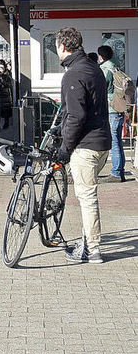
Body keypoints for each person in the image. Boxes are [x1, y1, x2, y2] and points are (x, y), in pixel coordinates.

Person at [54, 27, 111, 263]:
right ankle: (88, 240)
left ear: (62, 47)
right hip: (102, 144)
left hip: (86, 146)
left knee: (87, 198)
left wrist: (65, 149)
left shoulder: (73, 74)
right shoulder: (93, 68)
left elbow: (76, 117)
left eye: (56, 46)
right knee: (88, 194)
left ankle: (92, 250)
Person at [97, 45, 128, 183]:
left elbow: (101, 88)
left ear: (101, 56)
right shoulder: (116, 67)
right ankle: (120, 171)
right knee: (118, 142)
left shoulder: (105, 69)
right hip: (119, 108)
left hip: (111, 109)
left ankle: (116, 173)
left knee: (114, 142)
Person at [0, 59, 13, 129]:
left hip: (5, 98)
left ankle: (6, 124)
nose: (0, 71)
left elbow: (9, 85)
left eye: (1, 70)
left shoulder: (6, 77)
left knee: (6, 113)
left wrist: (3, 83)